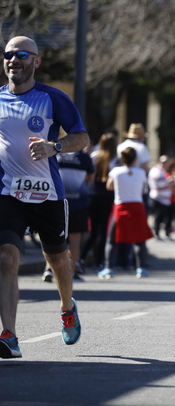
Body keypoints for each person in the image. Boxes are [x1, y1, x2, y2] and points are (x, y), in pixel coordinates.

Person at [0, 36, 87, 358]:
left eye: (21, 54)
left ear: (36, 61)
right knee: (6, 258)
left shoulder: (52, 98)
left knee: (58, 260)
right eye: (8, 55)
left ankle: (67, 307)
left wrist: (55, 147)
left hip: (46, 193)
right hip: (7, 191)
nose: (13, 60)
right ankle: (9, 334)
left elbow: (82, 138)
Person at [42, 145, 95, 282]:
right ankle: (70, 269)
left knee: (51, 237)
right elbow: (90, 178)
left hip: (55, 200)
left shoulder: (55, 154)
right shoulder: (84, 158)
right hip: (78, 203)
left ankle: (48, 268)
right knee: (75, 237)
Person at [100, 147, 154, 279]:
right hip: (137, 206)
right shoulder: (141, 172)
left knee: (112, 240)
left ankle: (108, 268)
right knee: (139, 239)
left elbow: (109, 186)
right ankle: (140, 268)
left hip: (121, 205)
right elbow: (143, 190)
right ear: (135, 159)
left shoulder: (116, 171)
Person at [80, 133, 118, 270]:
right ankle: (100, 260)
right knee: (103, 231)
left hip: (92, 194)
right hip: (107, 196)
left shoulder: (94, 156)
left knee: (93, 230)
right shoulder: (115, 160)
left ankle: (82, 257)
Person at [148, 155, 175, 240]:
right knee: (158, 217)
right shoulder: (157, 171)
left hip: (164, 199)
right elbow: (159, 185)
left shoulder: (162, 170)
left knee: (164, 217)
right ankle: (156, 233)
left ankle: (163, 233)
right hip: (158, 198)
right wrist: (169, 182)